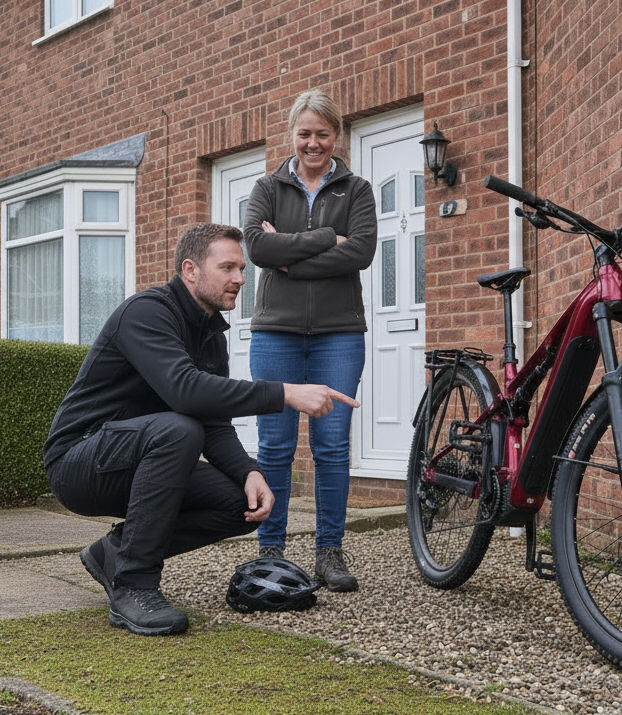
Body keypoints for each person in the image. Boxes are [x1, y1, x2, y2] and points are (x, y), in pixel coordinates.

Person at [43, 223, 358, 637]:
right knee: (178, 429)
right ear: (190, 269)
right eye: (227, 267)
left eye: (242, 269)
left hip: (143, 457)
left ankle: (116, 553)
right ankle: (133, 587)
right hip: (81, 462)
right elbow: (186, 393)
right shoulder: (146, 312)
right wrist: (285, 393)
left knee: (242, 502)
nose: (240, 279)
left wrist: (249, 472)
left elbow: (213, 423)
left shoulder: (210, 336)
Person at [242, 89, 377, 592]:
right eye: (305, 134)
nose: (313, 143)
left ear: (336, 136)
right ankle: (270, 552)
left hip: (339, 336)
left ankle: (329, 553)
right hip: (275, 332)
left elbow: (361, 253)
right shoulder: (267, 186)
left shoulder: (357, 190)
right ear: (292, 135)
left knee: (331, 447)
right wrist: (325, 240)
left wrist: (288, 253)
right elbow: (256, 246)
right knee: (274, 447)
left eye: (322, 134)